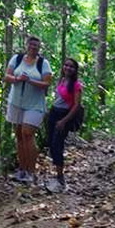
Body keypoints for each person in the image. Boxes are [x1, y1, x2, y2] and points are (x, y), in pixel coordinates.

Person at [4, 35, 52, 184]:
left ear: (39, 48)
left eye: (36, 46)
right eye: (31, 45)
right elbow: (6, 76)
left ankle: (31, 172)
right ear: (26, 45)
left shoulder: (43, 64)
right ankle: (22, 170)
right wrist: (17, 79)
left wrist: (30, 80)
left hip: (35, 105)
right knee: (19, 135)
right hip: (16, 102)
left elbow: (46, 83)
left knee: (28, 134)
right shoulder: (16, 59)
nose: (33, 47)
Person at [46, 57, 83, 192]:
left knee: (57, 145)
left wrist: (64, 120)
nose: (68, 68)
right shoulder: (61, 80)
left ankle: (60, 177)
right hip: (53, 113)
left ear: (75, 70)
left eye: (71, 66)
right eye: (66, 65)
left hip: (64, 116)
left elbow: (76, 106)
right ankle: (56, 173)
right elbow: (58, 98)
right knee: (50, 142)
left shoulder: (76, 86)